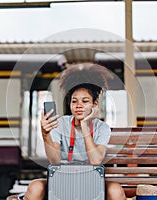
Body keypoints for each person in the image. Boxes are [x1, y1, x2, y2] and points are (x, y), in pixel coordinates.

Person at [24, 63, 126, 200]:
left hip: (92, 181)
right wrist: (45, 134)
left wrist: (84, 125)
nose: (78, 105)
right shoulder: (60, 124)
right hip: (61, 180)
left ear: (95, 104)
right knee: (35, 187)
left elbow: (96, 160)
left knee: (115, 190)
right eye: (74, 101)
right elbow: (54, 161)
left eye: (85, 101)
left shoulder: (102, 128)